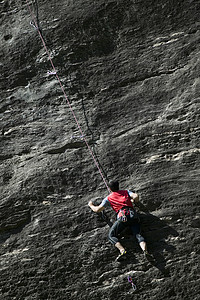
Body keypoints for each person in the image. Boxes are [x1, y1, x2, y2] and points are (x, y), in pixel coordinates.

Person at [88, 180, 151, 261]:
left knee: (111, 235)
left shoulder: (108, 198)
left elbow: (97, 210)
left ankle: (122, 250)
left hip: (123, 217)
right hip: (133, 216)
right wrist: (133, 201)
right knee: (138, 235)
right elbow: (135, 196)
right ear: (118, 186)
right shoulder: (126, 192)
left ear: (110, 189)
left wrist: (91, 205)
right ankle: (145, 251)